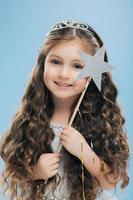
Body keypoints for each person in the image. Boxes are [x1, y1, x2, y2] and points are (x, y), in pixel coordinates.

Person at [0, 19, 129, 200]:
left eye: (77, 66)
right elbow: (10, 175)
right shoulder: (30, 118)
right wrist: (35, 172)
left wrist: (84, 150)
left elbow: (110, 181)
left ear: (91, 75)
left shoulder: (99, 121)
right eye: (56, 62)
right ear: (43, 63)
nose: (64, 74)